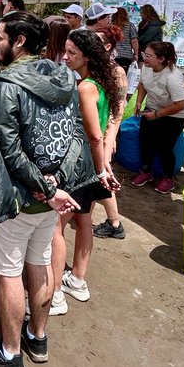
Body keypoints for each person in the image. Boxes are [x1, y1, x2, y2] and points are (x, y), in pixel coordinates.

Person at [0, 12, 94, 367]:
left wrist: (46, 187)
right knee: (38, 263)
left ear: (19, 41)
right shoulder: (66, 77)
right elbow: (73, 137)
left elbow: (9, 152)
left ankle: (9, 354)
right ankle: (37, 338)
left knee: (9, 273)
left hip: (21, 197)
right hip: (51, 196)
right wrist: (57, 184)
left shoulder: (6, 84)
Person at [51, 29, 125, 315]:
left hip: (79, 162)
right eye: (65, 51)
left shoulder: (85, 87)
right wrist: (103, 165)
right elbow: (109, 124)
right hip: (93, 162)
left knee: (56, 228)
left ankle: (55, 293)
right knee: (84, 220)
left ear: (87, 56)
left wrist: (99, 168)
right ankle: (77, 280)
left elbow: (94, 135)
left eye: (72, 53)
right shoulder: (102, 81)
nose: (65, 57)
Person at [133, 41, 184, 193]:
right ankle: (146, 172)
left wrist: (157, 115)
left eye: (149, 56)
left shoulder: (173, 77)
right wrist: (139, 102)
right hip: (153, 107)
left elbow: (180, 104)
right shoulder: (146, 68)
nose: (144, 59)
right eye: (144, 55)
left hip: (176, 114)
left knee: (164, 145)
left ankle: (168, 178)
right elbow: (142, 84)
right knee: (145, 140)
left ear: (161, 59)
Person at [110, 7, 139, 71]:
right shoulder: (130, 25)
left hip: (113, 55)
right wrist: (136, 54)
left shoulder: (111, 26)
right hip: (126, 55)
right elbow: (134, 41)